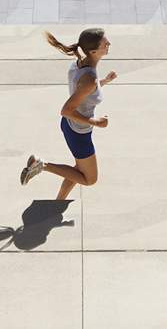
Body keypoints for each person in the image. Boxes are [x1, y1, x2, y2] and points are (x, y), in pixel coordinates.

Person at [19, 28, 116, 200]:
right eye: (105, 43)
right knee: (89, 179)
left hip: (70, 126)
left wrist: (105, 81)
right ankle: (41, 165)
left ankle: (59, 200)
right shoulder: (89, 79)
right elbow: (66, 110)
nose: (109, 44)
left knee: (79, 169)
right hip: (79, 133)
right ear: (94, 51)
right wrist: (96, 122)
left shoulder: (80, 63)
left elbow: (85, 90)